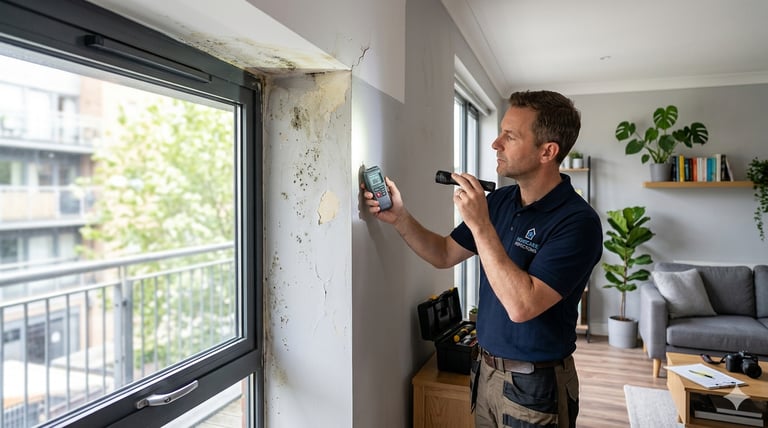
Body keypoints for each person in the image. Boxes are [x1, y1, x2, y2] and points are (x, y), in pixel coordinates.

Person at [362, 90, 602, 427]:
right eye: (500, 131)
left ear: (548, 151)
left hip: (534, 387)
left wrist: (480, 224)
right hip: (485, 372)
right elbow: (444, 253)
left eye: (510, 135)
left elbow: (521, 305)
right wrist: (400, 217)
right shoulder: (502, 200)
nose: (495, 143)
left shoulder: (578, 223)